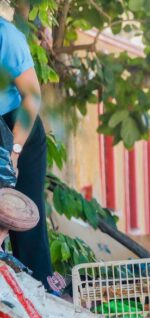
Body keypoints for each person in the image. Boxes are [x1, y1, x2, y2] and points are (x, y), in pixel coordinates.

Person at [0, 18, 52, 290]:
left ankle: (44, 303)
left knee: (25, 225)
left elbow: (31, 96)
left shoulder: (6, 36)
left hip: (18, 128)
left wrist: (15, 152)